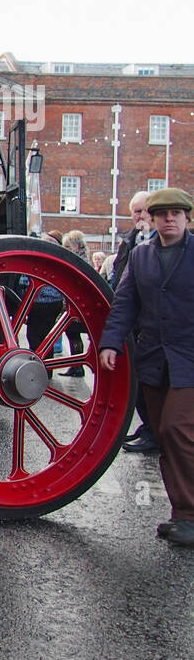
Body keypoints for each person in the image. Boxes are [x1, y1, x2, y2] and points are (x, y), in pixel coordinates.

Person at [100, 187, 194, 547]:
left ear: (186, 218)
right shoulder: (141, 256)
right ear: (152, 219)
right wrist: (111, 343)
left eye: (176, 213)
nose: (169, 219)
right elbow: (124, 304)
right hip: (154, 360)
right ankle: (182, 514)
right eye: (162, 214)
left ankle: (190, 514)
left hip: (189, 359)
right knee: (166, 438)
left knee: (176, 430)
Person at [111, 191, 157, 451]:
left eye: (145, 211)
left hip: (154, 320)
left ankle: (156, 431)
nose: (140, 216)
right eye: (136, 212)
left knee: (153, 379)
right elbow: (119, 276)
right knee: (137, 378)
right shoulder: (129, 242)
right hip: (133, 320)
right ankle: (148, 425)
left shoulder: (163, 242)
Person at [60, 230, 90, 376]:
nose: (65, 250)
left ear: (75, 246)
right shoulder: (83, 259)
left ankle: (77, 366)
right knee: (72, 334)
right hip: (76, 304)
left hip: (77, 305)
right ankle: (76, 365)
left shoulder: (78, 262)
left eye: (67, 247)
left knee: (73, 333)